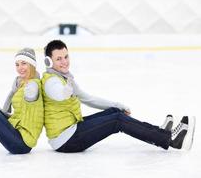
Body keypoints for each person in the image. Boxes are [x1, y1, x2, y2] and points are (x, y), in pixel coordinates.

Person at [41, 40, 196, 153]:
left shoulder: (64, 78)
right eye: (59, 59)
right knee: (117, 120)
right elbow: (59, 94)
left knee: (115, 113)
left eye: (66, 56)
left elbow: (88, 99)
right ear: (49, 61)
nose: (64, 62)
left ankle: (158, 133)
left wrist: (116, 105)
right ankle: (170, 139)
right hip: (66, 141)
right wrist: (66, 89)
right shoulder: (51, 81)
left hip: (71, 131)